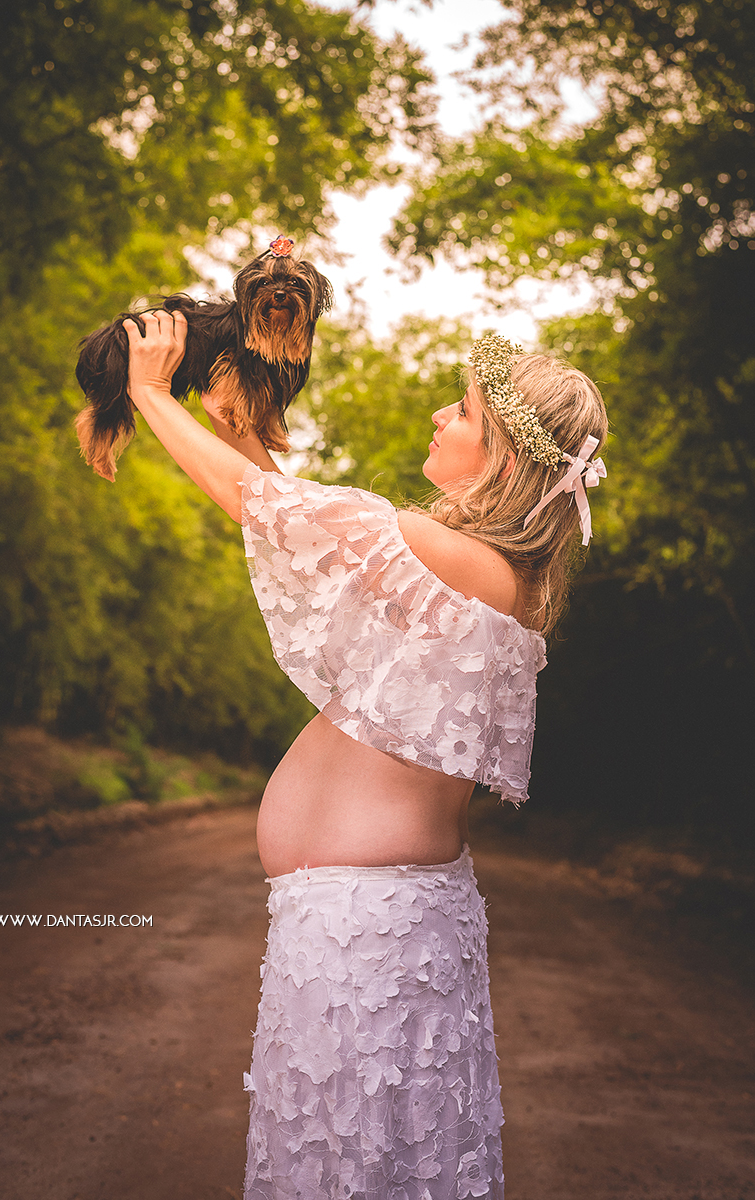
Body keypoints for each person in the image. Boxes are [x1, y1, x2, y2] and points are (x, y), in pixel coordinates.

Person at [120, 307, 608, 1200]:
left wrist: (150, 391)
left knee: (345, 1160)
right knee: (361, 1152)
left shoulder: (453, 558)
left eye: (460, 413)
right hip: (367, 922)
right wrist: (244, 435)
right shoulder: (489, 576)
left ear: (499, 458)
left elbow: (259, 506)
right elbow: (296, 525)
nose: (437, 418)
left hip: (368, 930)